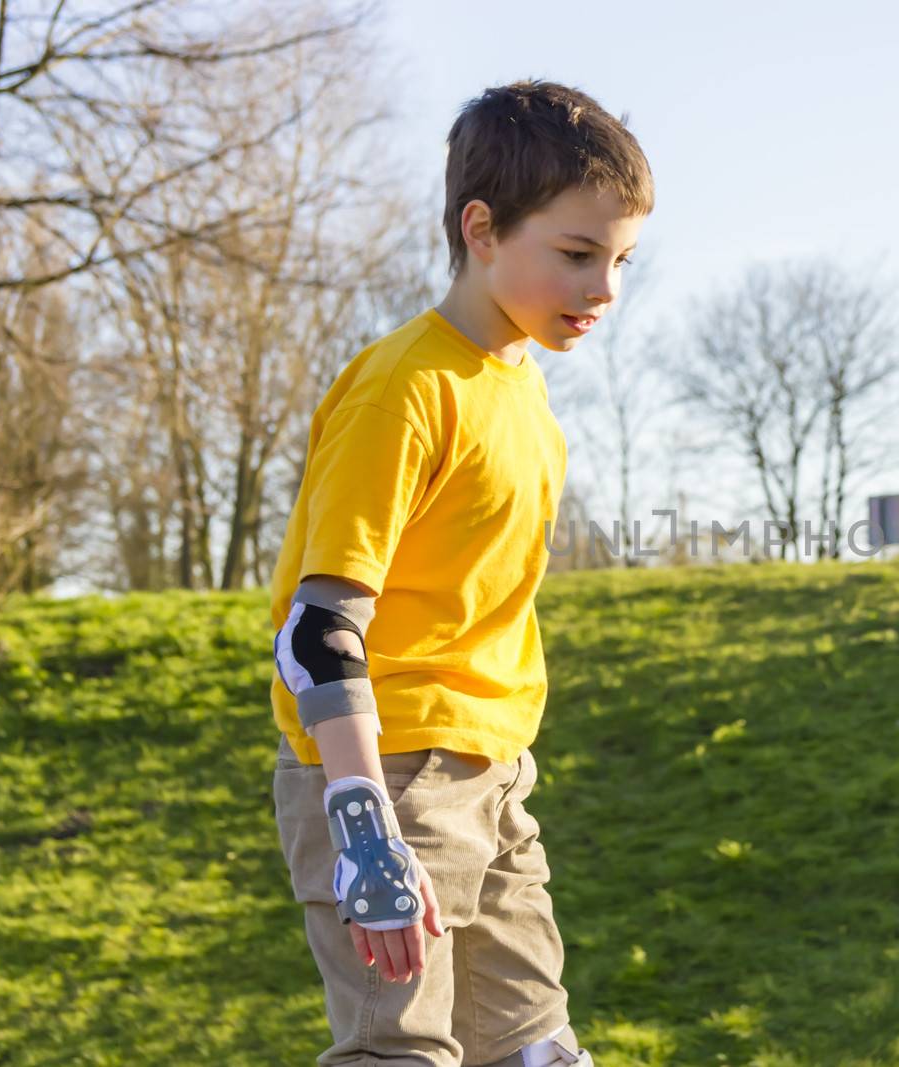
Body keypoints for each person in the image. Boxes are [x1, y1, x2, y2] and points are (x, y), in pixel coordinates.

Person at [267, 79, 652, 1067]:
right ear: (481, 228)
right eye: (576, 253)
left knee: (536, 1052)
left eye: (619, 260)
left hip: (492, 773)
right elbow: (318, 632)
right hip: (383, 774)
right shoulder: (406, 386)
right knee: (400, 1053)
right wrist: (364, 830)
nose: (603, 287)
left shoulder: (524, 399)